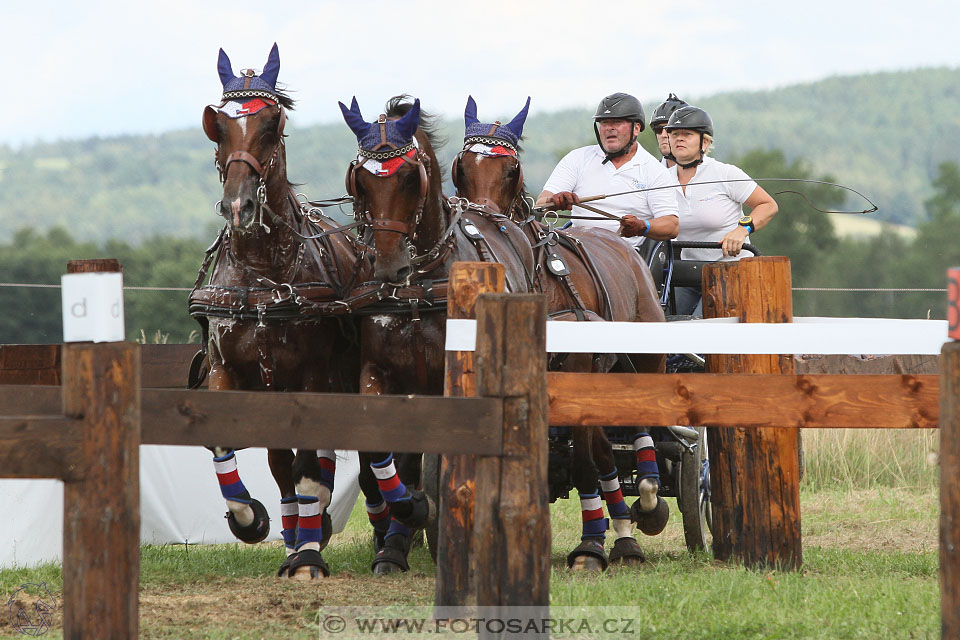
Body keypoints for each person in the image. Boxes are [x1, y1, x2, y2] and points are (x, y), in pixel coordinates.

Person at [665, 105, 779, 316]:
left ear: (705, 142)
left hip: (729, 269)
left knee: (701, 327)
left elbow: (768, 205)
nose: (679, 139)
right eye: (674, 134)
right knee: (667, 326)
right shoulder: (661, 180)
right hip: (686, 272)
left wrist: (742, 229)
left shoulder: (725, 174)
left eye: (687, 134)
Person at [537, 92, 680, 246]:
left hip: (626, 254)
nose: (609, 128)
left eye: (617, 123)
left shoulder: (655, 170)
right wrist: (553, 201)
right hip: (577, 249)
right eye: (604, 123)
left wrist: (642, 226)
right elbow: (539, 204)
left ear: (636, 128)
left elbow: (671, 225)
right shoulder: (577, 158)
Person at [648, 93, 688, 168]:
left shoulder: (712, 172)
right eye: (658, 129)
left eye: (669, 129)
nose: (663, 135)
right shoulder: (649, 174)